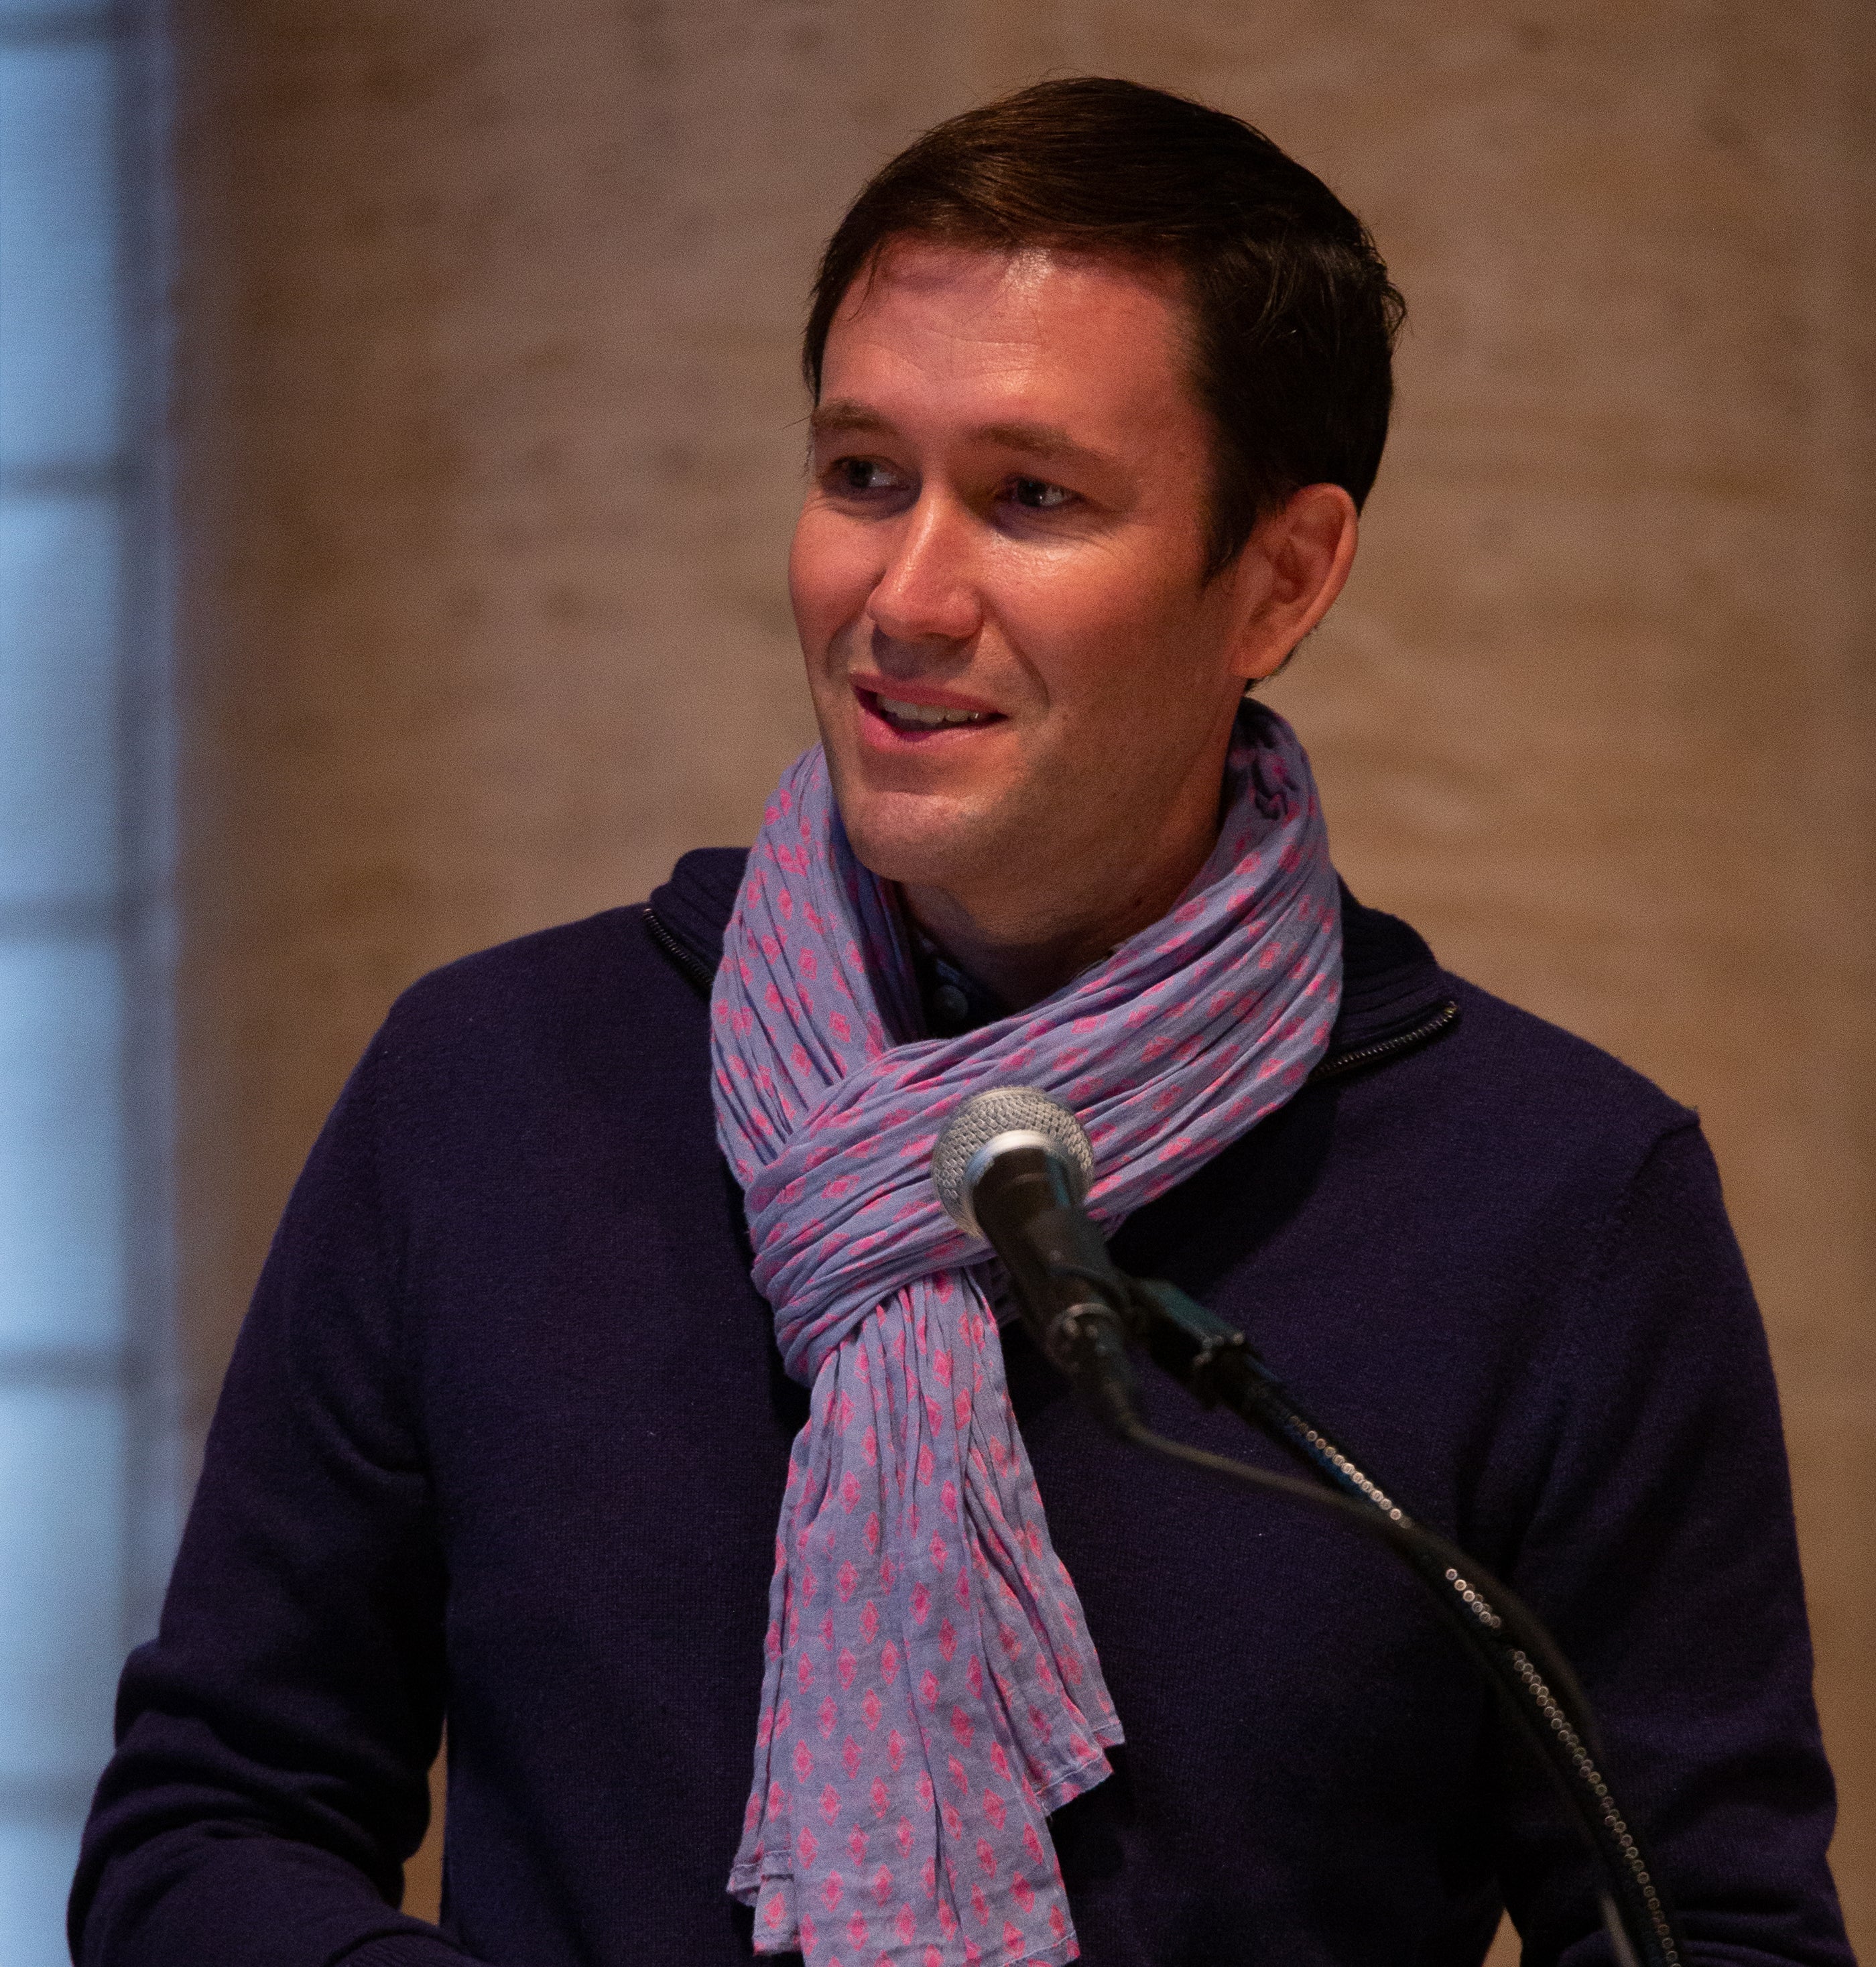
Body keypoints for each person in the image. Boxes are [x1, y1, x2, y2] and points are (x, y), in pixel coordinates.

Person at [71, 77, 1851, 1967]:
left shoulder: (1562, 1205)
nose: (904, 596)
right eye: (861, 475)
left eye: (1032, 498)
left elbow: (1711, 1938)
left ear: (1282, 575)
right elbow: (210, 1832)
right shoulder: (491, 1090)